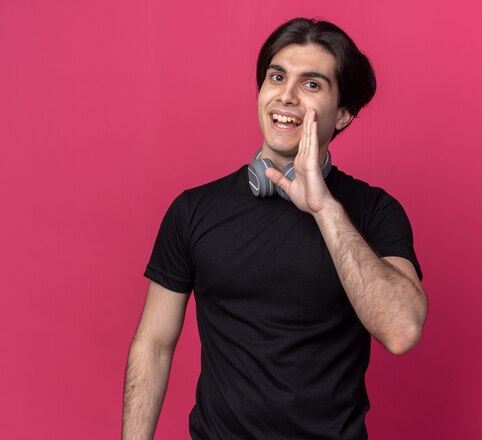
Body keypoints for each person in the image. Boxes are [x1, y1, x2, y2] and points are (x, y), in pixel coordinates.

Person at [122, 17, 428, 440]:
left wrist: (324, 208)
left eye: (312, 85)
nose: (286, 96)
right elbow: (152, 345)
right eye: (276, 77)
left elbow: (401, 331)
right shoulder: (193, 210)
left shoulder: (375, 211)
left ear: (342, 114)